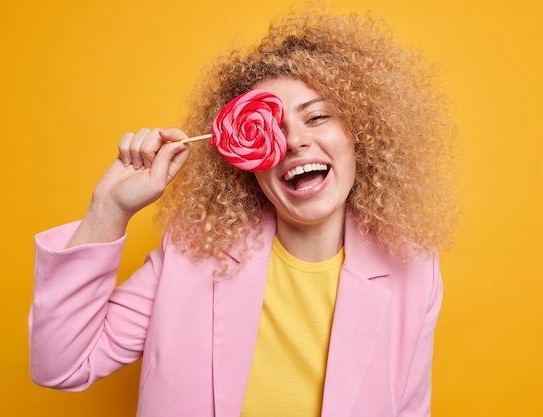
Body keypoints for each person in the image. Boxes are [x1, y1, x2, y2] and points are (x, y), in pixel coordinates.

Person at [29, 9, 459, 417]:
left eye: (318, 116)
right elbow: (62, 365)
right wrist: (108, 209)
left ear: (361, 134)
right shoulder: (192, 256)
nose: (294, 142)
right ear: (244, 158)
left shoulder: (414, 271)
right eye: (269, 129)